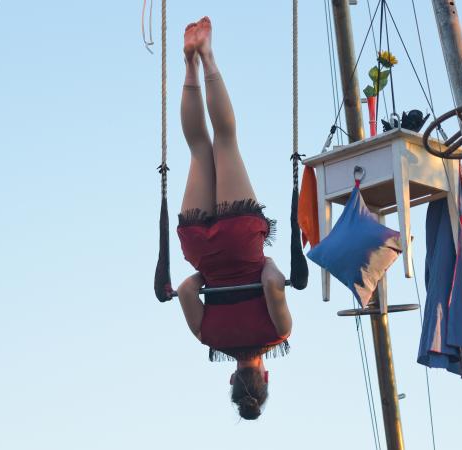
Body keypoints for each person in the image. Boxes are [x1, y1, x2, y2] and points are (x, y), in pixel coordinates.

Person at [174, 16, 292, 421]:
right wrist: (210, 277)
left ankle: (206, 55)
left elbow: (273, 283)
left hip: (241, 238)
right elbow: (187, 291)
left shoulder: (278, 332)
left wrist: (266, 264)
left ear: (266, 376)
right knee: (197, 147)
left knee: (225, 140)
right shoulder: (209, 337)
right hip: (200, 245)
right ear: (231, 382)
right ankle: (189, 63)